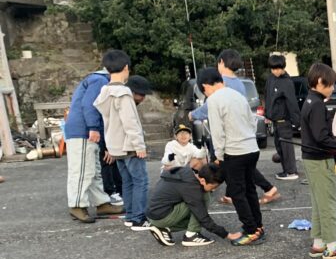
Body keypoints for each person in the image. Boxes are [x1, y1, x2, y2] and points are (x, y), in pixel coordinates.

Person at [190, 48, 280, 204]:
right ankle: (234, 194)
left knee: (229, 165)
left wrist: (193, 114)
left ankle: (262, 189)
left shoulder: (221, 83)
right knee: (243, 168)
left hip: (229, 137)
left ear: (221, 62)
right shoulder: (240, 82)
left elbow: (209, 107)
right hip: (244, 135)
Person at [196, 67, 263, 246]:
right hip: (252, 148)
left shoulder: (214, 100)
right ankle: (258, 226)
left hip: (234, 152)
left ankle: (251, 231)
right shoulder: (238, 95)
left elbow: (217, 132)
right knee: (249, 189)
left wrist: (218, 155)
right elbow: (252, 122)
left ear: (205, 86)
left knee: (236, 192)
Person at [299, 62, 336, 259]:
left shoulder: (309, 100)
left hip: (313, 159)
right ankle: (332, 247)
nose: (333, 88)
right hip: (319, 161)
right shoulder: (317, 105)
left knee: (319, 203)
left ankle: (318, 244)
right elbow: (322, 137)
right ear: (319, 81)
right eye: (330, 84)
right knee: (327, 205)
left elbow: (318, 137)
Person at [64, 49, 128, 223]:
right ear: (124, 68)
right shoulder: (99, 80)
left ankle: (101, 203)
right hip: (82, 130)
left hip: (87, 130)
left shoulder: (98, 79)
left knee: (93, 170)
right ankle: (77, 204)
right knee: (82, 169)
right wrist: (93, 127)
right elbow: (89, 104)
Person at [94, 72, 152, 230]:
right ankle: (138, 219)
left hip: (116, 147)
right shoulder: (125, 97)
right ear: (133, 91)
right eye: (141, 94)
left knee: (127, 182)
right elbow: (130, 124)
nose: (143, 98)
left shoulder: (107, 97)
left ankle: (130, 216)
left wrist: (109, 147)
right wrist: (139, 146)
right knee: (140, 181)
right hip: (130, 147)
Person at [145, 163, 238, 247]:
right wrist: (227, 235)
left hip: (154, 214)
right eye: (213, 187)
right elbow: (203, 218)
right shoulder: (191, 188)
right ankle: (191, 235)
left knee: (195, 208)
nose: (214, 189)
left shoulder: (186, 171)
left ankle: (163, 228)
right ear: (202, 180)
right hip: (161, 217)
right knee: (203, 199)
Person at [265, 53, 301, 181]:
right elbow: (268, 97)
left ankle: (291, 172)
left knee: (286, 147)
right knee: (279, 146)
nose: (275, 71)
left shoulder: (286, 82)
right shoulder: (270, 79)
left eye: (278, 68)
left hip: (284, 120)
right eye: (273, 69)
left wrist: (297, 122)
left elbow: (292, 102)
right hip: (275, 120)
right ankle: (286, 170)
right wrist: (267, 114)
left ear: (283, 67)